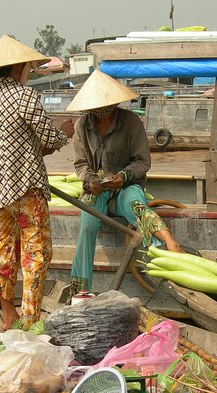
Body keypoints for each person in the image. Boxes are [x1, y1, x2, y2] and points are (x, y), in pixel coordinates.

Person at [0, 35, 75, 330]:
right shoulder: (23, 96)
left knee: (4, 250)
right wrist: (65, 131)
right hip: (24, 190)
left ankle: (8, 313)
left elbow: (7, 143)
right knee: (36, 252)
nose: (30, 71)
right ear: (19, 67)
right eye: (29, 66)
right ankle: (30, 318)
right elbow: (49, 138)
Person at [65, 69, 183, 295]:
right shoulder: (82, 126)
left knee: (137, 205)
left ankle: (168, 248)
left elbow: (142, 162)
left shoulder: (131, 122)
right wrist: (91, 181)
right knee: (88, 226)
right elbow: (81, 165)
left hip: (126, 186)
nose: (101, 110)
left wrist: (124, 176)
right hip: (97, 190)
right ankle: (80, 290)